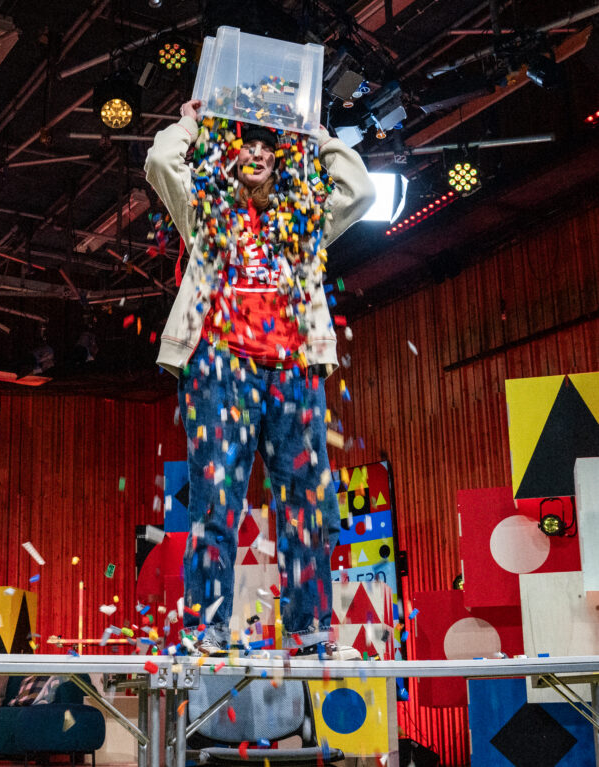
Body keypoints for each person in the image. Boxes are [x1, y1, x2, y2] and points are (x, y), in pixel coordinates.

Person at [146, 99, 375, 658]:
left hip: (293, 370)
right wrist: (192, 123)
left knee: (307, 505)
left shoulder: (304, 220)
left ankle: (310, 632)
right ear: (230, 155)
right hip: (219, 366)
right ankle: (207, 631)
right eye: (245, 144)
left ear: (282, 158)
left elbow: (362, 193)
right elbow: (159, 162)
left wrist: (319, 135)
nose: (255, 152)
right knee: (215, 503)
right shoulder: (207, 212)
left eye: (267, 146)